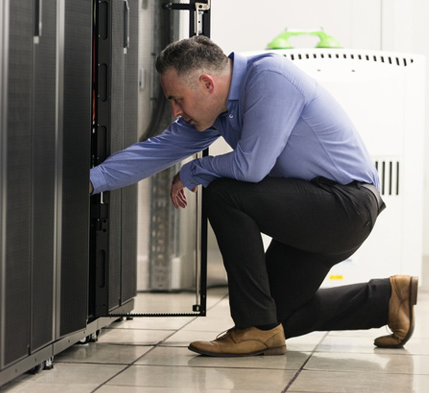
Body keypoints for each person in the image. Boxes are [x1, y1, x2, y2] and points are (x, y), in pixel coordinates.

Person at [89, 35, 417, 357]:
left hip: (346, 206)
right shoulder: (214, 112)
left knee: (224, 194)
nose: (175, 111)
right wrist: (88, 183)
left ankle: (251, 327)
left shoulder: (269, 79)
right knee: (275, 316)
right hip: (314, 209)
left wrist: (192, 171)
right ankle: (386, 299)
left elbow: (252, 167)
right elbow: (155, 151)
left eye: (178, 99)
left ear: (206, 83)